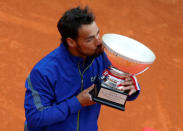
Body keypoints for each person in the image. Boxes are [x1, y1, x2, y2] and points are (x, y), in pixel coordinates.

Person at [24, 6, 140, 131]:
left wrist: (127, 90)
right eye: (90, 39)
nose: (99, 42)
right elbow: (35, 117)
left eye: (98, 34)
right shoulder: (44, 71)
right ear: (72, 42)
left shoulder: (100, 58)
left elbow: (108, 93)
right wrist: (77, 102)